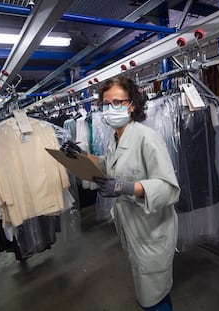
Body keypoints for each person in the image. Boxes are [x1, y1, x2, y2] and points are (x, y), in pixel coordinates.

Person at [62, 76, 180, 310]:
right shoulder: (115, 138)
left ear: (132, 104)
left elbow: (168, 188)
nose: (110, 109)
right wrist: (82, 157)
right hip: (133, 228)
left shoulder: (147, 138)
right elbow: (109, 165)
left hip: (151, 229)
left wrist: (127, 188)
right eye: (106, 104)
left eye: (117, 102)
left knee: (154, 293)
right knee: (147, 284)